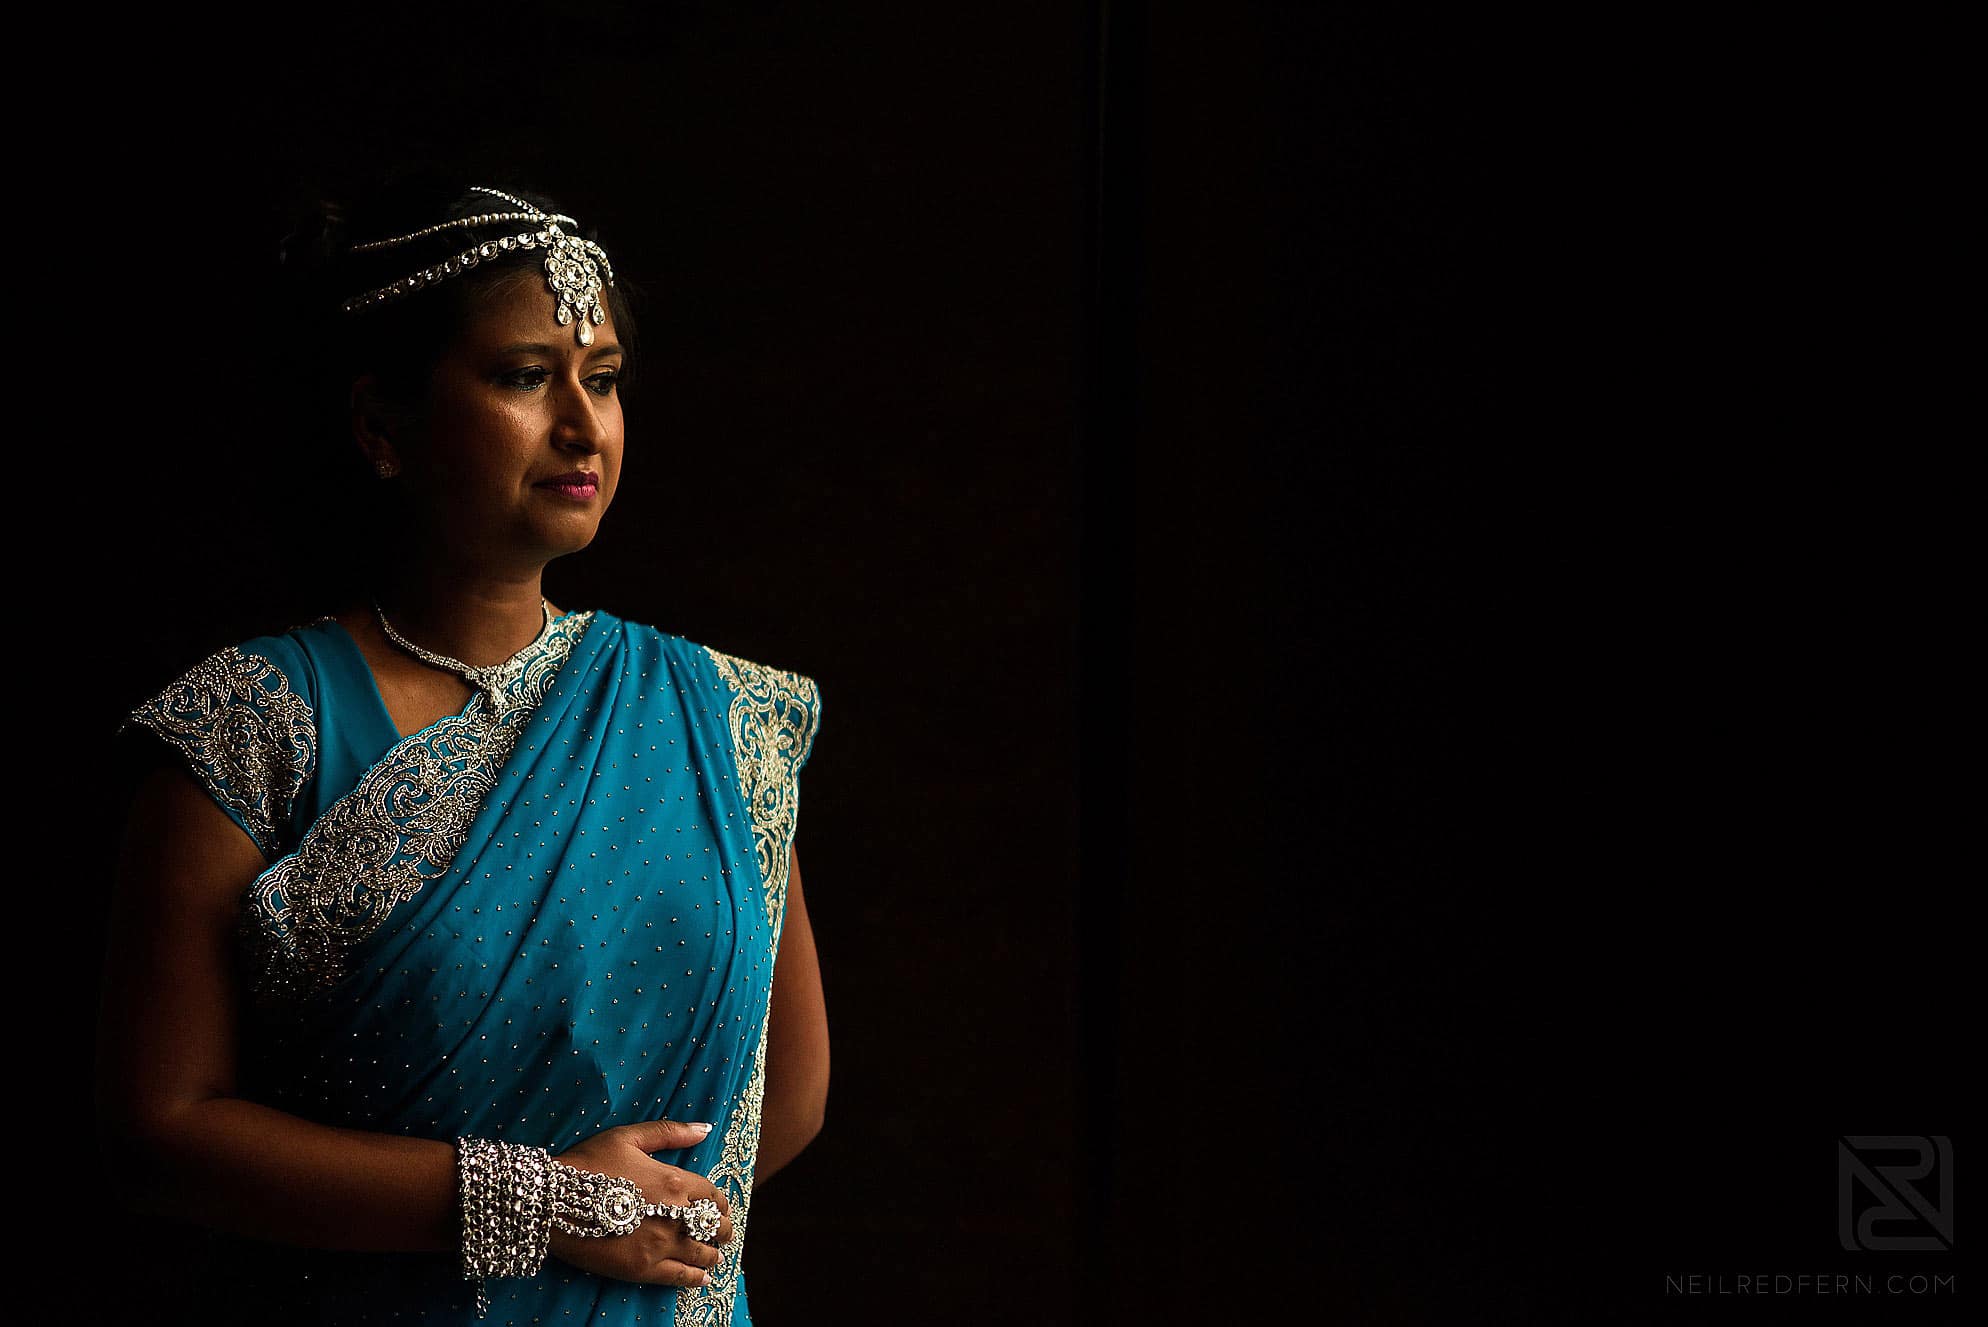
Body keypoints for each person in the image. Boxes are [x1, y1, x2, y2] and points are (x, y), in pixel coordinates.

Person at [97, 181, 829, 1326]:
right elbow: (159, 1130)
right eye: (526, 377)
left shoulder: (718, 716)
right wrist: (538, 1204)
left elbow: (786, 1094)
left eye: (602, 379)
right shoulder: (256, 721)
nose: (583, 427)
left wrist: (637, 1234)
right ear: (381, 425)